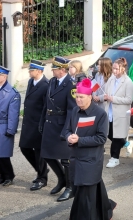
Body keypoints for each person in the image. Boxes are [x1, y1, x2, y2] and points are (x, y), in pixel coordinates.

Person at [64, 78, 117, 220]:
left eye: (81, 97)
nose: (78, 100)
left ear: (89, 97)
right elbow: (66, 130)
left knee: (86, 191)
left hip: (91, 158)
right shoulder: (75, 111)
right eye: (77, 97)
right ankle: (106, 207)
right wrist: (68, 137)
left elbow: (101, 138)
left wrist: (80, 140)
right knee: (89, 185)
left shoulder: (100, 114)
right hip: (76, 157)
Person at [39, 56, 77, 202]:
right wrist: (42, 121)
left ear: (62, 70)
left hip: (62, 124)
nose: (52, 71)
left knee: (65, 159)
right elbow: (46, 104)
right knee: (47, 154)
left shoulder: (70, 85)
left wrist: (67, 130)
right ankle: (61, 179)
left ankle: (69, 187)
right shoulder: (53, 81)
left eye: (54, 69)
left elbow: (72, 110)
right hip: (50, 122)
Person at [19, 60, 49, 190]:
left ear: (39, 71)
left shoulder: (45, 85)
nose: (29, 72)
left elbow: (45, 107)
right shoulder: (31, 81)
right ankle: (41, 170)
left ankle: (42, 178)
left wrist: (42, 124)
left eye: (32, 70)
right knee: (24, 147)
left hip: (38, 123)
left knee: (38, 151)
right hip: (28, 122)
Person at [104, 57, 133, 167]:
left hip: (120, 113)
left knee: (116, 137)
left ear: (123, 69)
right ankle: (126, 143)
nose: (114, 71)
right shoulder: (111, 79)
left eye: (116, 69)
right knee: (109, 134)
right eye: (113, 68)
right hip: (110, 112)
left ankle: (114, 158)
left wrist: (113, 99)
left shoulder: (128, 82)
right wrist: (104, 97)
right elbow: (107, 92)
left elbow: (129, 99)